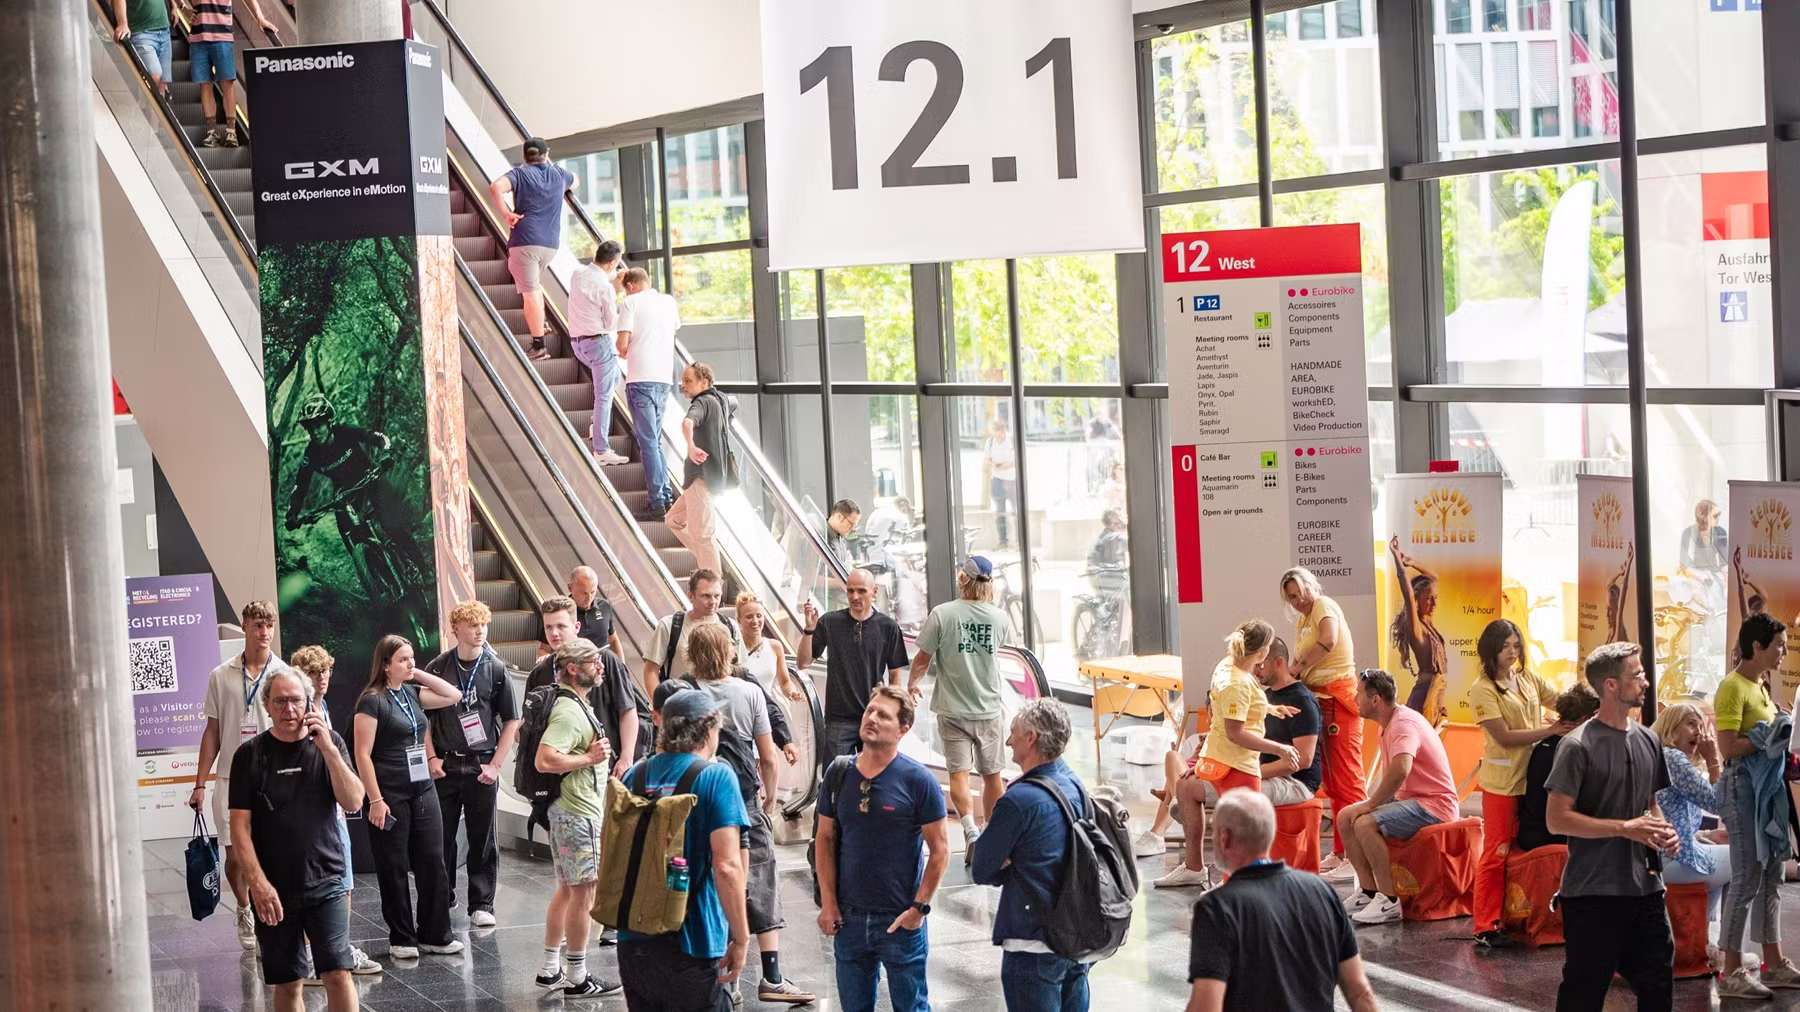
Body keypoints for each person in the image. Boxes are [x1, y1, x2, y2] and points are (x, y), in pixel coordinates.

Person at [681, 624, 812, 1004]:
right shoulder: (749, 692)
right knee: (760, 879)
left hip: (697, 800)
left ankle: (724, 979)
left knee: (712, 880)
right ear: (729, 652)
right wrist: (769, 799)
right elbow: (768, 757)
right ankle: (771, 977)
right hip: (742, 799)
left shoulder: (685, 693)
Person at [1545, 642, 1679, 1010]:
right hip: (1593, 893)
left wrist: (1663, 831)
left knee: (1657, 985)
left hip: (1647, 889)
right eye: (1636, 675)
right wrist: (1623, 828)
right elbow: (1556, 819)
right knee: (1584, 992)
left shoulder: (1649, 739)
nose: (1646, 682)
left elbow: (1650, 806)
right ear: (1611, 686)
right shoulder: (1577, 746)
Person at [229, 671, 366, 1012]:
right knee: (289, 981)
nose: (288, 709)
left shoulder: (329, 742)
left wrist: (329, 751)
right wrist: (257, 886)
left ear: (309, 703)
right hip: (275, 887)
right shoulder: (250, 755)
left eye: (295, 700)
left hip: (328, 880)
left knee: (337, 972)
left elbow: (353, 801)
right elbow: (239, 828)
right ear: (267, 705)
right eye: (280, 701)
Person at [615, 686, 751, 1012]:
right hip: (693, 942)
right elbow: (727, 866)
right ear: (707, 729)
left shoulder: (635, 775)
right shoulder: (716, 777)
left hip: (633, 944)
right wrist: (742, 938)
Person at [815, 686, 949, 1012]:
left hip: (899, 919)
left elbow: (941, 850)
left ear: (903, 729)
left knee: (912, 1006)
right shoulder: (838, 773)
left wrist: (918, 909)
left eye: (883, 715)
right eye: (869, 711)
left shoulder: (918, 781)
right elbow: (825, 838)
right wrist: (829, 903)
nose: (871, 718)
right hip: (849, 918)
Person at [1184, 790, 1379, 1012]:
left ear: (1224, 837)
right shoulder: (1323, 893)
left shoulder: (1218, 908)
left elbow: (1206, 1006)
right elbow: (1360, 992)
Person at [1154, 620, 1299, 889]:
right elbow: (1235, 732)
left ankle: (1229, 883)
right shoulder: (1237, 683)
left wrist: (1270, 709)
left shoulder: (1227, 666)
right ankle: (1236, 887)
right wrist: (1279, 749)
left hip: (1220, 761)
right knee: (1244, 833)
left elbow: (1233, 711)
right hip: (1237, 767)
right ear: (1262, 652)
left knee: (1232, 828)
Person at [971, 699, 1092, 1011]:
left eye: (1013, 733)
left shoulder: (1018, 801)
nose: (1009, 741)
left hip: (1032, 943)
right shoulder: (1075, 785)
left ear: (1032, 738)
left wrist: (1009, 863)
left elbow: (982, 869)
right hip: (1076, 937)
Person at [352, 635, 465, 960]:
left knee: (433, 861)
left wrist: (417, 674)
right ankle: (402, 937)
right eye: (403, 660)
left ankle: (435, 934)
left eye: (412, 658)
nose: (410, 663)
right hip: (389, 792)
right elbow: (362, 755)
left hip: (422, 789)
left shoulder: (412, 694)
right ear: (385, 665)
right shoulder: (372, 701)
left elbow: (453, 694)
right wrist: (375, 799)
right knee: (394, 865)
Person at [189, 601, 291, 951]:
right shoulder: (221, 674)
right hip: (231, 780)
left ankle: (271, 916)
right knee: (235, 857)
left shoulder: (282, 674)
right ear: (245, 627)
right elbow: (212, 732)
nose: (264, 633)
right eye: (258, 625)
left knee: (271, 852)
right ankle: (245, 907)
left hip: (272, 778)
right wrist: (200, 783)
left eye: (269, 626)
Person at [1466, 618, 1573, 949]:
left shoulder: (1527, 679)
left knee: (1525, 849)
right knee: (1496, 851)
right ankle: (1484, 923)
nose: (1512, 653)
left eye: (1516, 646)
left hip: (1534, 778)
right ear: (1491, 650)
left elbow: (1560, 701)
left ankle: (1517, 913)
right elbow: (1504, 736)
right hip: (1502, 783)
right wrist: (1550, 730)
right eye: (1505, 647)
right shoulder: (1481, 689)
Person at [1713, 613, 1800, 998]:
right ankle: (1731, 970)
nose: (1784, 651)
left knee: (1772, 875)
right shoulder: (1733, 687)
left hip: (1766, 794)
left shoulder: (1761, 686)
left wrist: (1782, 738)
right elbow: (1728, 748)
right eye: (1779, 645)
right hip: (1742, 789)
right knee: (1747, 875)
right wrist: (1767, 737)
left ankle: (1774, 962)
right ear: (1757, 647)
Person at [1330, 669, 1459, 926]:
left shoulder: (1402, 724)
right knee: (1346, 816)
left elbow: (1401, 770)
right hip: (1412, 799)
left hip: (1435, 805)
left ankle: (1388, 900)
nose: (1355, 699)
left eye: (1359, 694)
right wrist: (1368, 804)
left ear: (1376, 699)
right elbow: (1394, 778)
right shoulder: (1387, 723)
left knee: (1365, 823)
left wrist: (1370, 805)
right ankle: (1367, 891)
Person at [531, 638, 622, 999]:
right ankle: (578, 975)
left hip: (568, 811)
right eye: (593, 661)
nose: (600, 666)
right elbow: (545, 759)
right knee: (585, 894)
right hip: (577, 813)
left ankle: (550, 969)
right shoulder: (568, 712)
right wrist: (590, 758)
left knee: (568, 890)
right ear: (573, 668)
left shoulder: (576, 703)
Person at [421, 601, 521, 929]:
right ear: (456, 630)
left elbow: (511, 720)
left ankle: (481, 902)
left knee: (482, 837)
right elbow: (424, 719)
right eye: (472, 625)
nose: (479, 631)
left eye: (483, 625)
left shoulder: (494, 669)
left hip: (481, 764)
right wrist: (432, 757)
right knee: (442, 836)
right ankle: (444, 893)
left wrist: (495, 764)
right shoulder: (438, 667)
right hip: (446, 765)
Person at [907, 556, 1013, 863]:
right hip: (989, 706)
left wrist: (913, 684)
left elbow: (922, 658)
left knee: (959, 775)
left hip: (952, 710)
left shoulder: (942, 614)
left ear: (962, 579)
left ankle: (970, 831)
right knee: (993, 776)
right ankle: (992, 836)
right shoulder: (999, 617)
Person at [286, 646, 383, 979]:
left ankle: (337, 947)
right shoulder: (297, 716)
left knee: (344, 883)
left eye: (326, 671)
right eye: (315, 673)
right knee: (326, 885)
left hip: (337, 810)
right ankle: (320, 954)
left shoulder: (322, 707)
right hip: (315, 815)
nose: (323, 678)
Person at [1279, 567, 1367, 870]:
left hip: (1338, 701)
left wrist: (1297, 667)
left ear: (1310, 585)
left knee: (1348, 781)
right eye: (1290, 598)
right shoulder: (1306, 618)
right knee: (1333, 783)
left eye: (1298, 592)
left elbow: (1328, 640)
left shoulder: (1323, 606)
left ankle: (1358, 855)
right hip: (1322, 701)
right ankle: (1344, 852)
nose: (1295, 600)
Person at [798, 569, 910, 765]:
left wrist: (893, 714)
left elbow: (895, 677)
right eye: (850, 591)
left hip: (875, 715)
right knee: (836, 779)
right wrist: (809, 630)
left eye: (861, 591)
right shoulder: (830, 622)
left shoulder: (888, 627)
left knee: (875, 775)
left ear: (874, 592)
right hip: (838, 718)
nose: (854, 596)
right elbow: (803, 662)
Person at [1650, 702, 1731, 966]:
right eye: (1691, 724)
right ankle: (1728, 950)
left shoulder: (1661, 756)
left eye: (1700, 724)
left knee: (1723, 857)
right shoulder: (1673, 758)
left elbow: (1673, 817)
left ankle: (1705, 943)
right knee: (1746, 859)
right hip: (1672, 860)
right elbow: (1720, 804)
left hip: (1659, 857)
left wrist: (1704, 835)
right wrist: (1713, 760)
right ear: (1671, 728)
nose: (1699, 732)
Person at [528, 595, 642, 779]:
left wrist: (626, 757)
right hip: (560, 779)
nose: (554, 633)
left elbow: (627, 710)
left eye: (561, 626)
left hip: (607, 770)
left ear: (577, 627)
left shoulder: (605, 661)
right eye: (548, 627)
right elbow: (528, 726)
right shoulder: (540, 673)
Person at [488, 137, 577, 361]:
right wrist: (550, 164)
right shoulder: (560, 175)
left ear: (525, 155)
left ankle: (538, 346)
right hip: (550, 244)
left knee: (531, 293)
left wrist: (507, 214)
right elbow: (577, 181)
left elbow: (495, 187)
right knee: (533, 288)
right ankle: (541, 323)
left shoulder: (519, 174)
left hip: (525, 241)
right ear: (547, 154)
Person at [617, 267, 683, 520]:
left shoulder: (630, 302)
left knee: (648, 442)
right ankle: (665, 496)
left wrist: (626, 349)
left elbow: (621, 345)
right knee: (654, 441)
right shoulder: (668, 301)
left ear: (630, 286)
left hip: (640, 378)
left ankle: (657, 501)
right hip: (664, 379)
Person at [1514, 682, 1601, 853]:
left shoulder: (1545, 745)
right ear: (1584, 719)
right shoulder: (1572, 750)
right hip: (1551, 836)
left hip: (1533, 831)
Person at [668, 363, 733, 577]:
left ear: (704, 383)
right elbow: (735, 404)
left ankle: (713, 586)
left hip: (701, 477)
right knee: (673, 520)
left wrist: (691, 446)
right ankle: (708, 558)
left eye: (688, 381)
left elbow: (687, 423)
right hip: (711, 478)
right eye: (683, 380)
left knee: (703, 536)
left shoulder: (702, 402)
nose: (683, 385)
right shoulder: (721, 400)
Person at [568, 239, 629, 464]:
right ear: (613, 263)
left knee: (613, 378)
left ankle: (597, 426)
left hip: (577, 344)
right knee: (603, 395)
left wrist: (613, 279)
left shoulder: (577, 274)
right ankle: (601, 450)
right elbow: (611, 322)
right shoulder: (605, 288)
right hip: (598, 344)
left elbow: (595, 280)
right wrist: (619, 292)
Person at [186, 0, 275, 147]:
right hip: (198, 37)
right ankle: (212, 133)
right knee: (205, 85)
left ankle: (231, 132)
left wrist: (260, 17)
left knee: (227, 83)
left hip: (222, 37)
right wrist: (183, 7)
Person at [643, 569, 743, 694]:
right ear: (691, 596)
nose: (713, 602)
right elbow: (651, 671)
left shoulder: (730, 627)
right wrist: (660, 707)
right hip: (681, 703)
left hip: (722, 705)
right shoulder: (669, 625)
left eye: (717, 596)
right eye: (706, 596)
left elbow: (740, 669)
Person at [1386, 537, 1448, 723]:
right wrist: (1397, 559)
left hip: (1435, 697)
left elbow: (1434, 578)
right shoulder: (1417, 629)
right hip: (1423, 698)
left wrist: (1412, 563)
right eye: (1429, 598)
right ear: (1416, 600)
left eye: (1436, 597)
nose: (1434, 603)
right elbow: (1408, 593)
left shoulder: (1429, 622)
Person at [737, 591, 802, 703]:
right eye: (749, 617)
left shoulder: (775, 646)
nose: (755, 621)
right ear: (739, 620)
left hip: (766, 710)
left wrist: (792, 693)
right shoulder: (732, 648)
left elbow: (785, 682)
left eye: (759, 616)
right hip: (741, 710)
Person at [113, 0, 171, 96]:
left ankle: (151, 109)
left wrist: (176, 7)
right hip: (142, 31)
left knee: (162, 84)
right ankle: (143, 106)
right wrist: (122, 23)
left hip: (164, 28)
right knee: (154, 75)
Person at [985, 420, 1017, 550]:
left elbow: (1017, 461)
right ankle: (1003, 541)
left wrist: (1005, 465)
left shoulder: (1012, 441)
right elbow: (986, 459)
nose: (998, 438)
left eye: (1000, 435)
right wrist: (995, 465)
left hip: (1012, 480)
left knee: (1016, 511)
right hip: (997, 479)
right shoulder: (990, 442)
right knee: (999, 512)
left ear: (1004, 432)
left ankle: (1020, 541)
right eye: (996, 435)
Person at [1681, 500, 1727, 575]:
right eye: (1715, 516)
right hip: (1694, 577)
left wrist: (1725, 570)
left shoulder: (1721, 532)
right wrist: (1700, 576)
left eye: (1719, 514)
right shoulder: (1688, 534)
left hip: (1714, 576)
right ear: (1704, 518)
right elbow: (1683, 564)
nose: (1719, 518)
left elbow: (1724, 562)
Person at [1604, 543, 1635, 644]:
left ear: (1617, 610)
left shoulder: (1617, 634)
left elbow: (1624, 588)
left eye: (1610, 610)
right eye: (1606, 609)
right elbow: (1608, 585)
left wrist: (1629, 562)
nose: (1606, 615)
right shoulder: (1611, 633)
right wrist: (1620, 572)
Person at [822, 498, 862, 569]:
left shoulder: (840, 536)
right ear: (839, 517)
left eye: (855, 526)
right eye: (851, 524)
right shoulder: (821, 537)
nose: (852, 529)